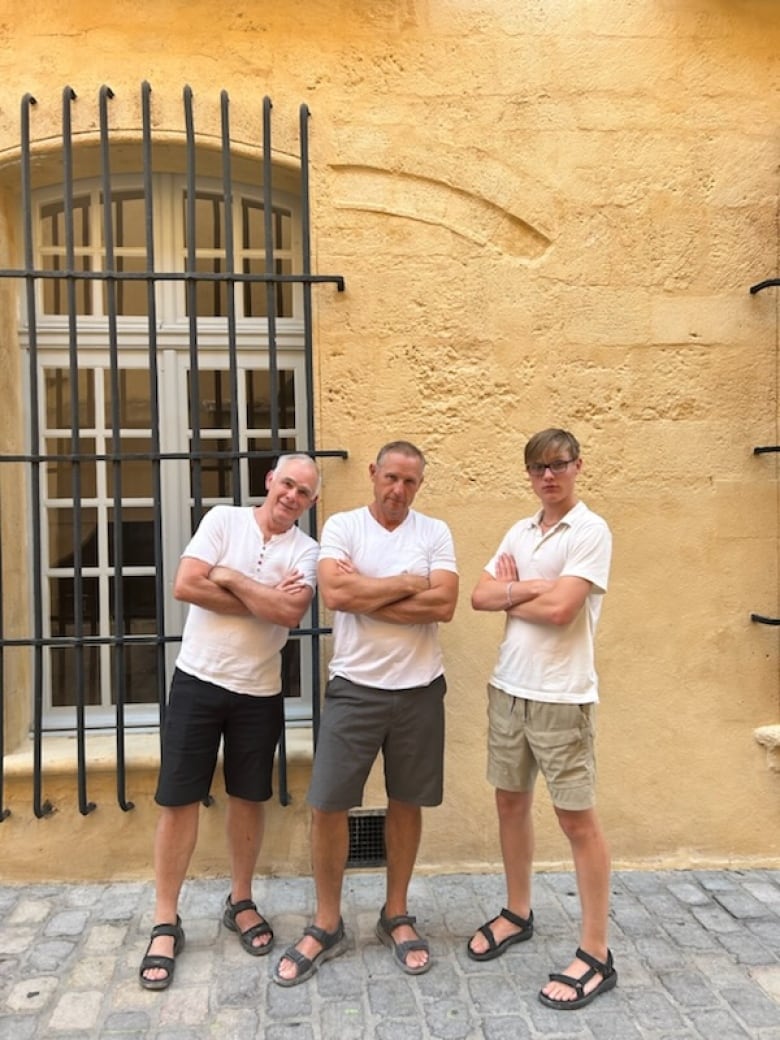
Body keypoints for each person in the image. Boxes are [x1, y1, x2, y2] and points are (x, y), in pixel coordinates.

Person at [273, 440, 459, 986]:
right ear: (374, 474)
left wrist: (367, 591)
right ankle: (327, 922)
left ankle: (394, 913)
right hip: (355, 687)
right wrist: (406, 583)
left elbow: (444, 604)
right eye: (391, 478)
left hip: (420, 689)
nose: (399, 490)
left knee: (406, 801)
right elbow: (334, 594)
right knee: (328, 805)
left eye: (411, 482)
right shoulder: (344, 527)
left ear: (419, 485)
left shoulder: (435, 533)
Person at [139, 453, 321, 991]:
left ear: (310, 504)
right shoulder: (223, 519)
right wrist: (261, 595)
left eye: (304, 493)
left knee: (249, 798)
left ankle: (240, 900)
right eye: (287, 483)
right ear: (270, 481)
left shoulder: (308, 551)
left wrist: (229, 576)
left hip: (259, 692)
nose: (292, 496)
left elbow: (290, 614)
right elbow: (187, 586)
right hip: (197, 680)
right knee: (177, 801)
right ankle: (165, 920)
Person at [466, 428, 617, 1011]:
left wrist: (513, 591)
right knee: (510, 803)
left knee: (577, 820)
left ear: (577, 466)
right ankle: (517, 911)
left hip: (561, 696)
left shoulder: (591, 530)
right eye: (536, 467)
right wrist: (526, 586)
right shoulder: (520, 531)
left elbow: (561, 611)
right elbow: (479, 597)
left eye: (557, 465)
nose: (547, 476)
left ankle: (596, 952)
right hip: (509, 688)